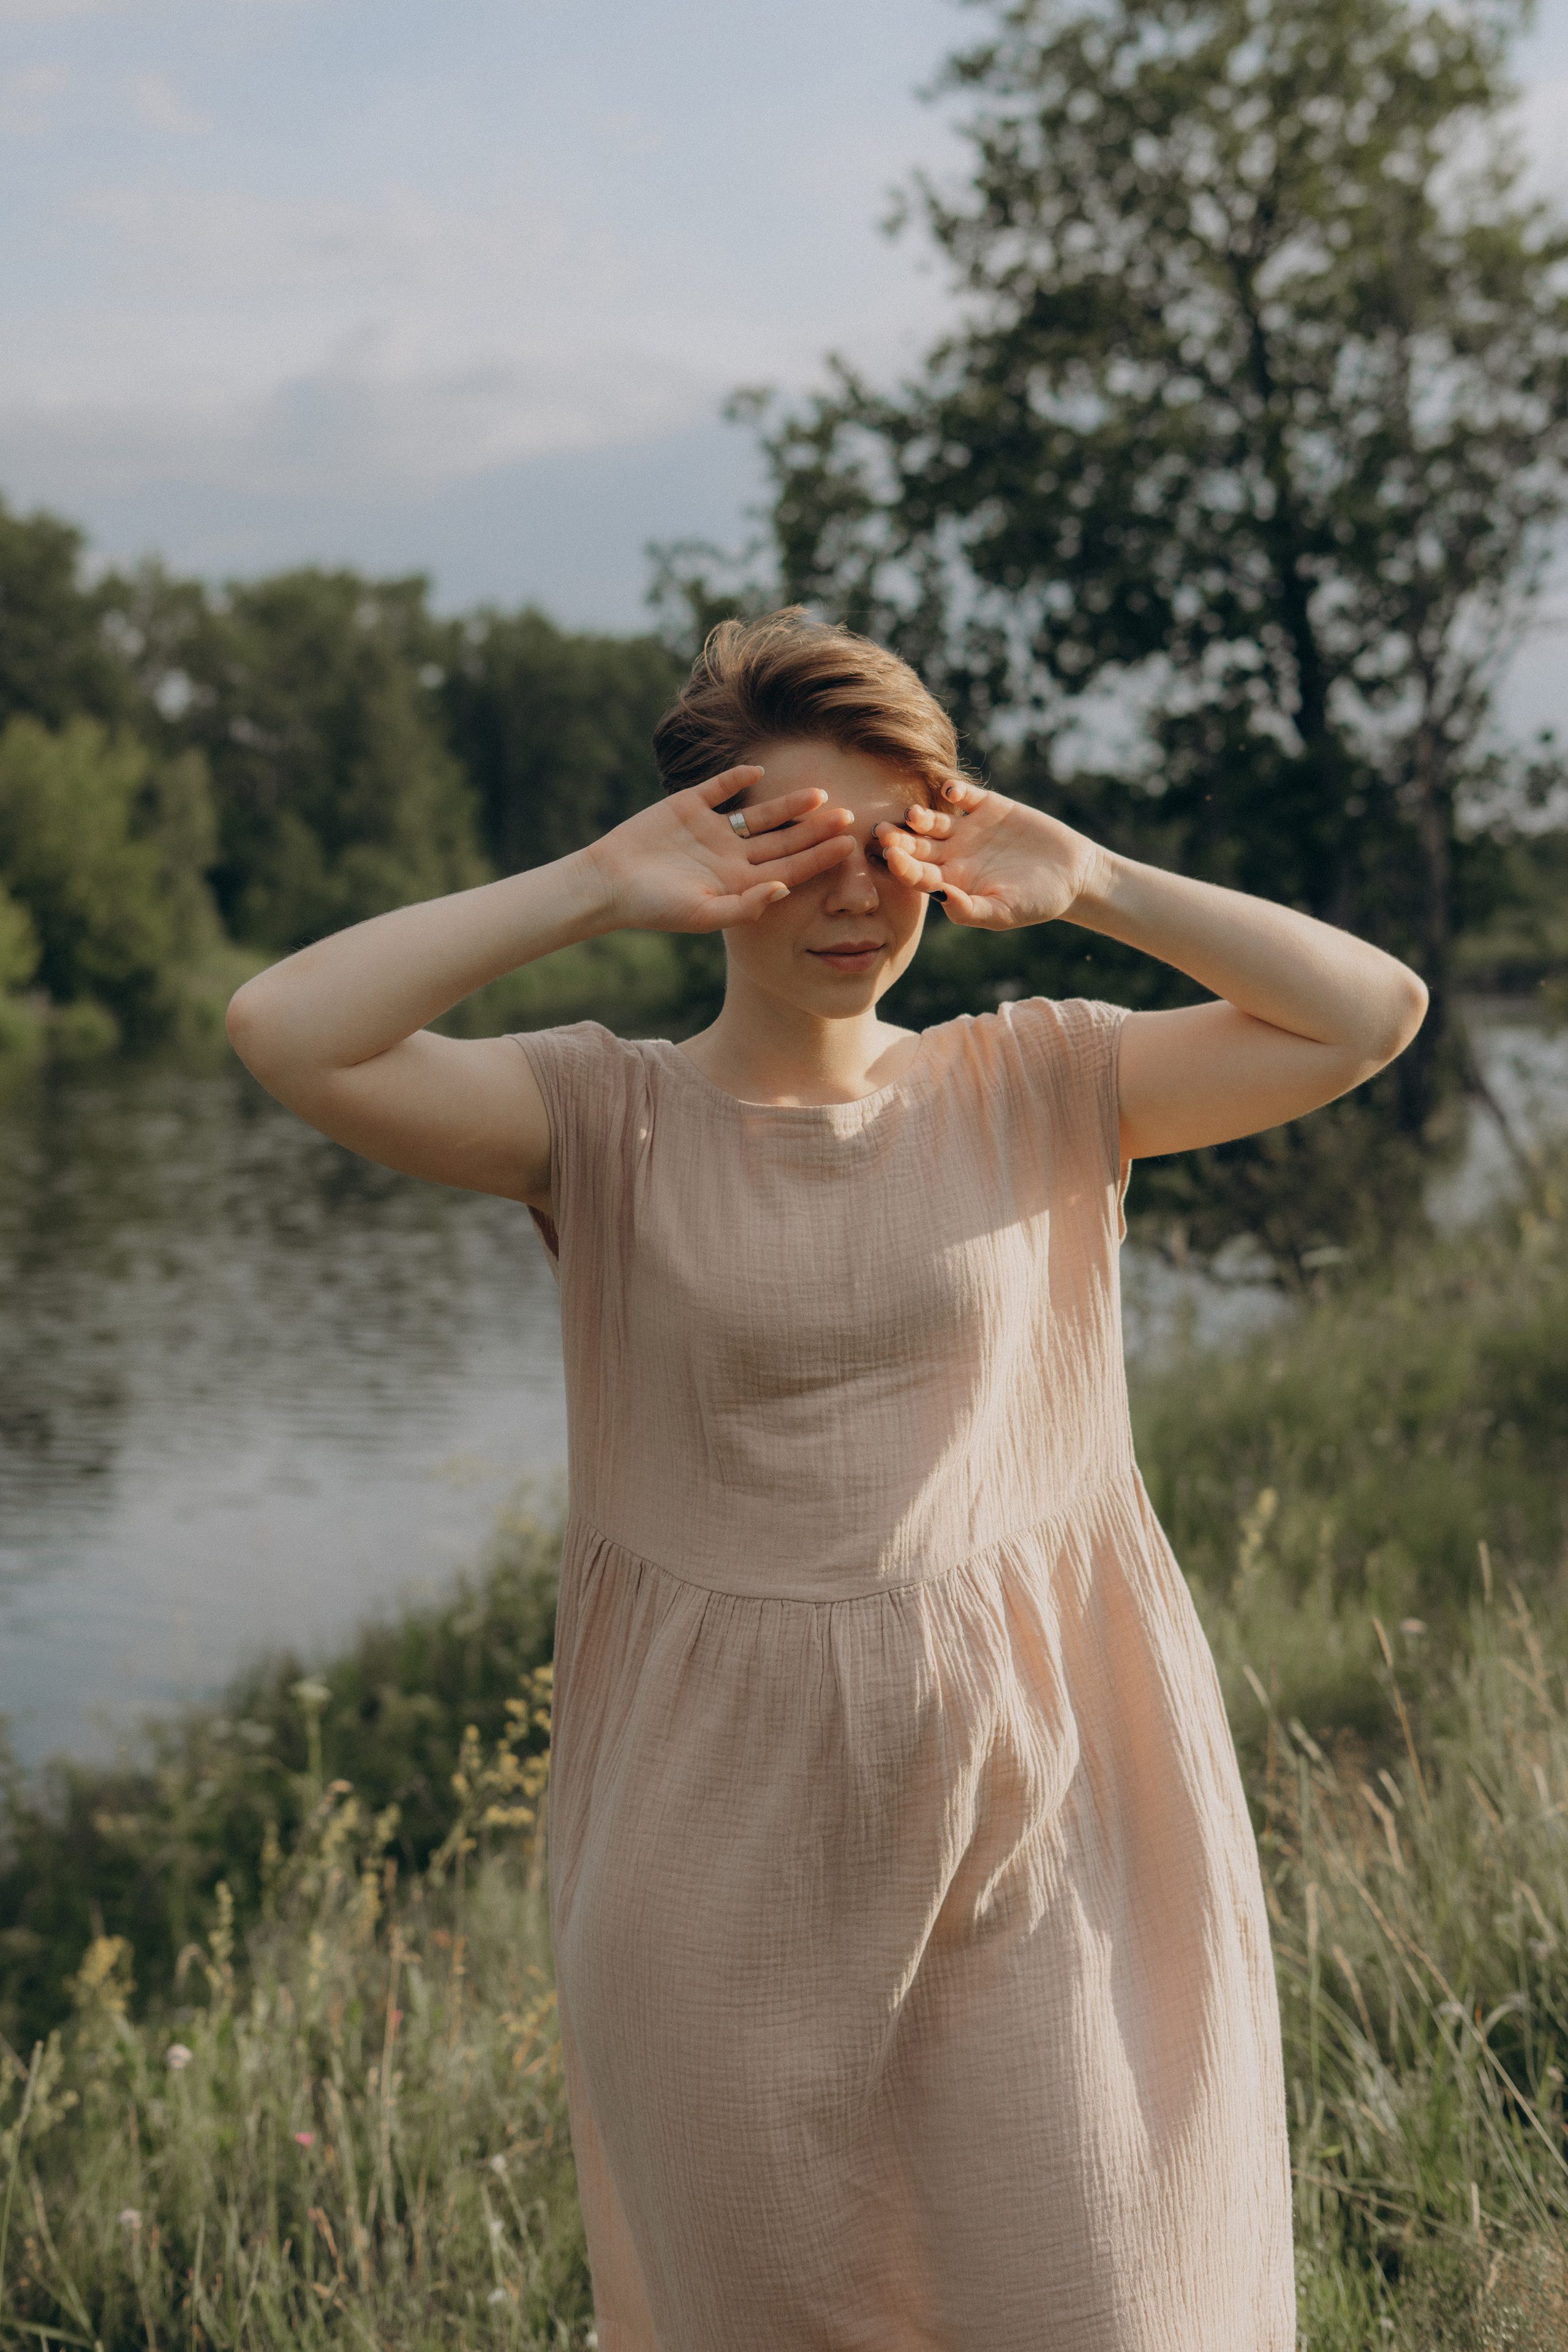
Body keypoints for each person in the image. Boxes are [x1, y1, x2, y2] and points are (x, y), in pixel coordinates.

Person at [227, 609, 1428, 2352]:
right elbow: (288, 1030)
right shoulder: (598, 1118)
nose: (853, 896)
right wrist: (585, 886)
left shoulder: (1043, 1078)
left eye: (890, 846)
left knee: (1107, 2292)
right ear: (702, 855)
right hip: (717, 1843)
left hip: (1052, 1797)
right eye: (788, 846)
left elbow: (1368, 1012)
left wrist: (1088, 877)